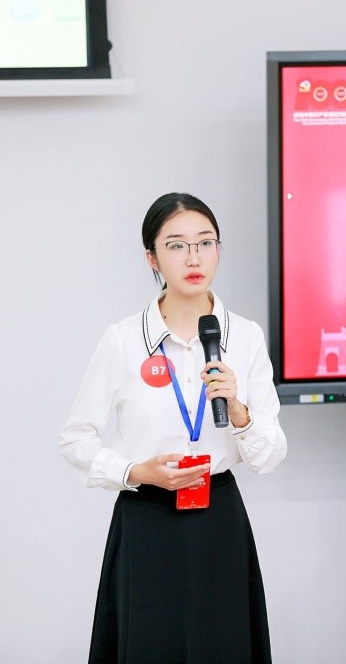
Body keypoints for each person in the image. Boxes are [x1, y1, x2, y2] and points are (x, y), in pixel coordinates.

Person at [59, 192, 287, 664]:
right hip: (147, 518)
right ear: (153, 258)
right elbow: (76, 439)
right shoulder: (123, 340)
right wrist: (134, 472)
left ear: (219, 250)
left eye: (205, 243)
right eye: (177, 245)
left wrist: (238, 411)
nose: (193, 258)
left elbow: (269, 455)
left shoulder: (244, 337)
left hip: (218, 519)